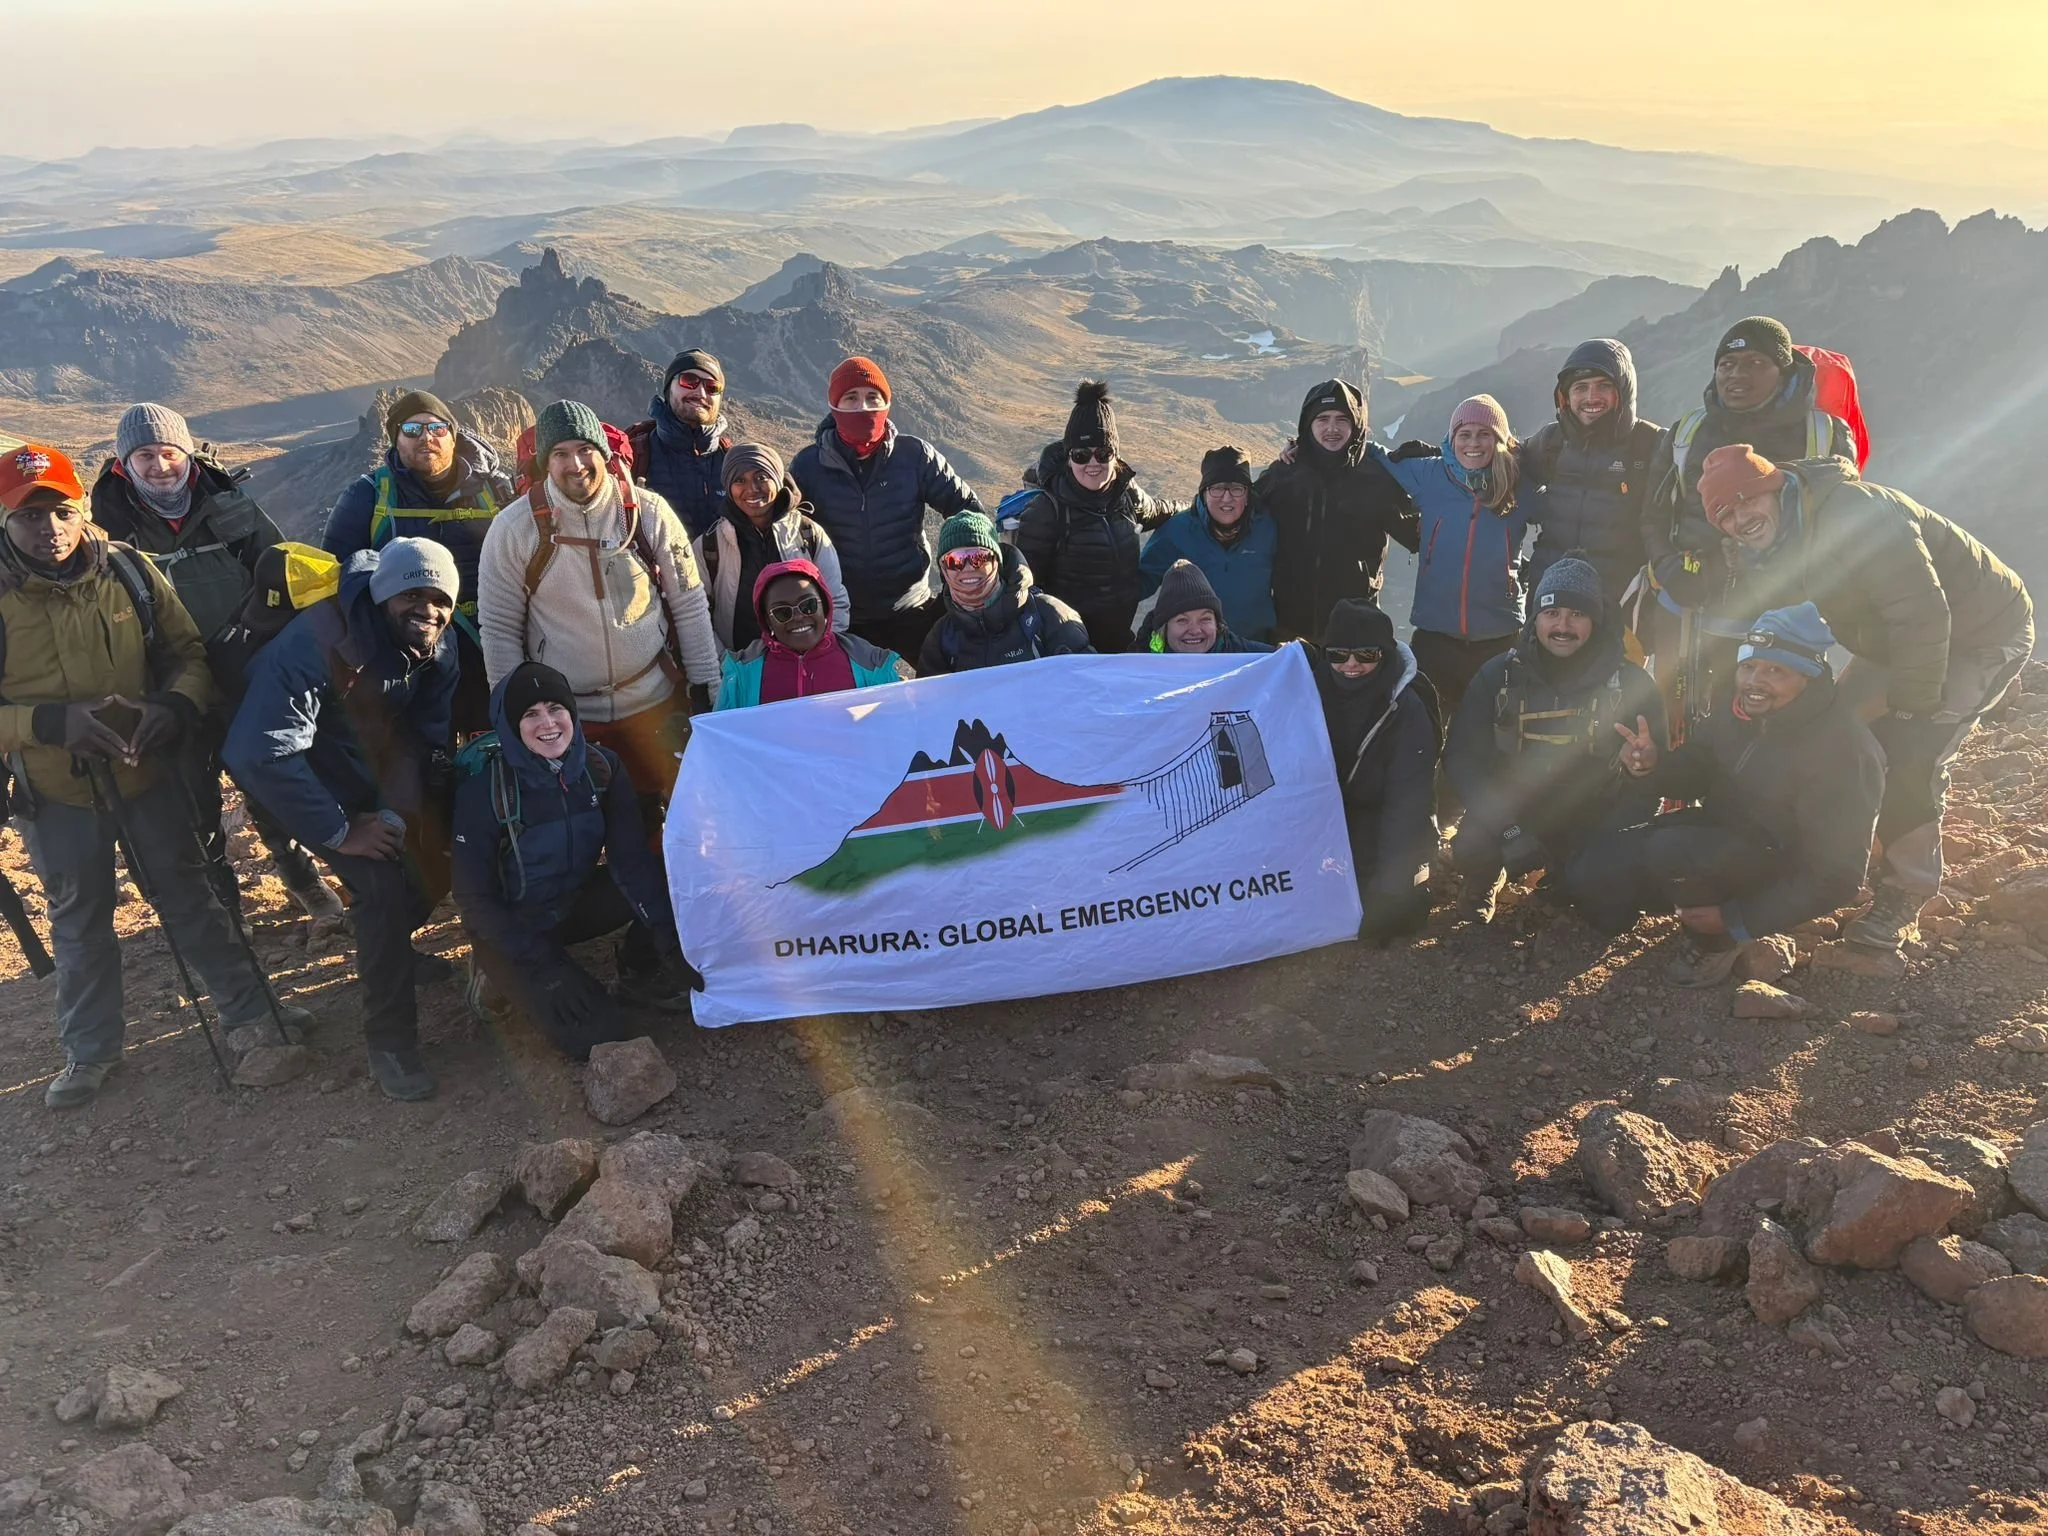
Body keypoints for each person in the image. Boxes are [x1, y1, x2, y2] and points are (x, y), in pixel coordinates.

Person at [0, 445, 311, 1109]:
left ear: (82, 509)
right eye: (28, 516)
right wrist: (49, 723)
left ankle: (253, 1015)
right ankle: (90, 1052)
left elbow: (186, 654)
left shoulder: (128, 571)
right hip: (54, 791)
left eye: (60, 511)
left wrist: (172, 708)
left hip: (146, 773)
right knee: (80, 918)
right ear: (5, 520)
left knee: (189, 896)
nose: (48, 528)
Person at [1694, 445, 2034, 952]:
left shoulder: (1857, 514)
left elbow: (1922, 615)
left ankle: (1905, 891)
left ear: (1777, 486)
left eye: (1747, 500)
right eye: (1725, 513)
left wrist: (1913, 706)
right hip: (1889, 638)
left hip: (1980, 632)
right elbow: (1784, 623)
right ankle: (1825, 854)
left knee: (1910, 752)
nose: (1741, 518)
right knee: (1830, 735)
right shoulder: (1769, 543)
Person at [225, 538, 464, 1101]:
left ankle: (390, 948)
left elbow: (427, 731)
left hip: (363, 765)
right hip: (293, 776)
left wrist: (409, 810)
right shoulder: (320, 640)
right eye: (411, 595)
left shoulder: (440, 645)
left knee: (439, 855)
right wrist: (341, 829)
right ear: (382, 596)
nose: (427, 610)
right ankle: (391, 1043)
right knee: (380, 886)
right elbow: (259, 751)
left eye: (440, 599)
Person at [89, 403, 341, 922]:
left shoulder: (230, 505)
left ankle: (305, 883)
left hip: (245, 675)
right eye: (144, 456)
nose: (160, 466)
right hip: (171, 688)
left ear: (188, 454)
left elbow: (281, 569)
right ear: (124, 465)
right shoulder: (107, 530)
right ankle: (224, 908)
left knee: (268, 783)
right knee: (193, 802)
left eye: (169, 452)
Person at [1570, 602, 1884, 988]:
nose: (1755, 681)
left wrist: (1739, 919)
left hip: (1780, 865)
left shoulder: (1843, 750)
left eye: (1776, 671)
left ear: (1810, 675)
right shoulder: (1738, 710)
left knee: (1670, 849)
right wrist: (1651, 765)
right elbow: (1698, 770)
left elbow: (1838, 876)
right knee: (1592, 874)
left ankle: (1717, 941)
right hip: (1719, 837)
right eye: (1749, 666)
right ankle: (1681, 902)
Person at [475, 400, 720, 810]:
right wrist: (514, 714)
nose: (575, 464)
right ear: (545, 463)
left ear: (604, 453)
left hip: (655, 704)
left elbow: (689, 602)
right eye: (560, 453)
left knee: (667, 818)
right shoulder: (514, 529)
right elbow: (499, 628)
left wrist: (706, 688)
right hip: (567, 718)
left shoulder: (648, 514)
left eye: (585, 449)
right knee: (585, 825)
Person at [453, 663, 688, 1059]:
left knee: (672, 876)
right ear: (510, 725)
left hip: (571, 903)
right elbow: (474, 899)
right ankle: (492, 973)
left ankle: (640, 969)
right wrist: (546, 968)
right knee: (603, 1034)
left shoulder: (602, 769)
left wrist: (666, 937)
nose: (548, 723)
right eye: (530, 714)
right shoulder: (485, 791)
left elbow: (631, 862)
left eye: (555, 708)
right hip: (511, 925)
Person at [1639, 318, 1853, 724]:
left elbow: (1844, 523)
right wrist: (1669, 569)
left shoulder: (1823, 435)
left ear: (1783, 371)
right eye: (1727, 364)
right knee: (1676, 726)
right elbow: (1653, 516)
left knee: (1769, 728)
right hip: (1689, 609)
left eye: (1755, 363)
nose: (1737, 374)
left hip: (1784, 616)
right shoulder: (1687, 432)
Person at [1443, 554, 1666, 923]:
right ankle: (1486, 878)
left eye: (1577, 614)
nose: (1563, 626)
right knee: (1471, 847)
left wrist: (1643, 771)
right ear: (1535, 618)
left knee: (1611, 915)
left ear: (1596, 620)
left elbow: (1654, 783)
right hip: (1516, 807)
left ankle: (1571, 877)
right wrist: (1509, 829)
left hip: (1596, 812)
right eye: (1552, 613)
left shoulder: (1631, 684)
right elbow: (1462, 759)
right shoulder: (1499, 676)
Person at [321, 390, 512, 733]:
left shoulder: (496, 491)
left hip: (491, 649)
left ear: (453, 435)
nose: (426, 437)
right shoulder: (366, 496)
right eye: (412, 430)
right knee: (421, 753)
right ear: (395, 440)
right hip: (407, 660)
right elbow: (339, 580)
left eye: (437, 428)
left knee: (491, 749)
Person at [791, 355, 984, 661]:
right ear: (834, 406)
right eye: (851, 398)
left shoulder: (915, 456)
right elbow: (792, 540)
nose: (863, 407)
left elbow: (969, 513)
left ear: (886, 402)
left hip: (912, 610)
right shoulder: (809, 466)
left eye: (873, 397)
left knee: (942, 684)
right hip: (844, 620)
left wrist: (959, 581)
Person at [1380, 395, 1533, 723]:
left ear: (1500, 439)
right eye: (1464, 434)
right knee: (1425, 732)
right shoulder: (1430, 474)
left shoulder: (1521, 483)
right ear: (1452, 439)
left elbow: (1564, 507)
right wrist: (1298, 448)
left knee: (1492, 737)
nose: (1473, 443)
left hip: (1500, 637)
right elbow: (1372, 456)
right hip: (1435, 637)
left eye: (1484, 434)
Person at [1314, 598, 1440, 944]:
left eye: (1366, 654)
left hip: (1380, 816)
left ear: (1384, 654)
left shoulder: (1407, 706)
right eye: (1338, 654)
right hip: (1325, 816)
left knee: (1391, 910)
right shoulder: (1308, 687)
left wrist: (1390, 890)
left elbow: (1408, 803)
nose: (1351, 665)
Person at [1259, 380, 1419, 641]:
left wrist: (1437, 466)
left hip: (1355, 631)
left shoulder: (1376, 479)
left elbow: (1418, 534)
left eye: (1342, 419)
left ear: (1356, 425)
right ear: (1308, 425)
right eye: (1322, 419)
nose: (1332, 428)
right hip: (1288, 629)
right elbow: (1235, 514)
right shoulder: (1284, 475)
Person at [1010, 380, 1158, 653]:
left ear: (1115, 455)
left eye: (1103, 453)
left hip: (1118, 645)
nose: (1092, 464)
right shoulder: (1047, 510)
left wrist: (1202, 506)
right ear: (1068, 457)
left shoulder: (1128, 496)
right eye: (1081, 455)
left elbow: (1160, 510)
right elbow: (1025, 588)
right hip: (1068, 652)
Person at [1518, 340, 1661, 604]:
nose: (1591, 397)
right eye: (1580, 388)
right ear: (1565, 397)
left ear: (1623, 391)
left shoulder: (1651, 445)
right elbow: (1499, 466)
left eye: (1604, 386)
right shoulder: (1550, 442)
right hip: (1550, 601)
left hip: (1622, 605)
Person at [694, 443, 849, 654]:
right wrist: (725, 662)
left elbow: (835, 599)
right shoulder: (710, 545)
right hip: (740, 664)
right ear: (728, 487)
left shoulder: (808, 533)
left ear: (777, 479)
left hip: (804, 662)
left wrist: (820, 653)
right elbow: (696, 614)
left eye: (761, 477)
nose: (752, 489)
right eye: (739, 480)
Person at [716, 559, 912, 708]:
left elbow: (898, 729)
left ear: (825, 606)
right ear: (767, 621)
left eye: (808, 605)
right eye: (782, 612)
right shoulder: (740, 677)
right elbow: (720, 743)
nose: (798, 617)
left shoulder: (870, 664)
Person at [917, 512, 1091, 674]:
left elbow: (1089, 682)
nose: (968, 568)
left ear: (996, 561)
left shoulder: (1049, 615)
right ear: (943, 569)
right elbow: (930, 697)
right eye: (955, 561)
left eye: (979, 558)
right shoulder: (940, 639)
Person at [1137, 446, 1278, 642]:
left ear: (1247, 495)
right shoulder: (1176, 531)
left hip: (1255, 646)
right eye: (1217, 488)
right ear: (1204, 493)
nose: (1227, 498)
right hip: (1195, 646)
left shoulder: (1268, 529)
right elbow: (1141, 582)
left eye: (1236, 488)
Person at [630, 348, 732, 542]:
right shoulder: (634, 456)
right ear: (669, 389)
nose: (700, 393)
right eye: (689, 381)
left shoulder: (733, 463)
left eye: (712, 387)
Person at [1135, 560, 1273, 656]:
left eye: (1205, 619)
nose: (1195, 631)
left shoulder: (1247, 656)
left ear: (1217, 625)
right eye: (1182, 620)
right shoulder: (1137, 663)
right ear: (1164, 628)